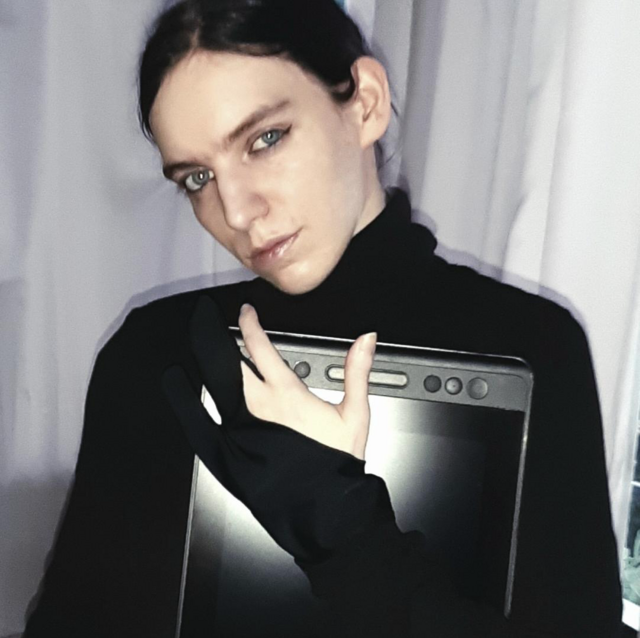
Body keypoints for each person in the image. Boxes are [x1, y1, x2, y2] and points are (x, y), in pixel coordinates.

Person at [24, 0, 622, 636]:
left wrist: (343, 532)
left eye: (265, 139)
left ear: (365, 103)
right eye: (197, 177)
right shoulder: (155, 354)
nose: (237, 211)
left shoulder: (532, 347)